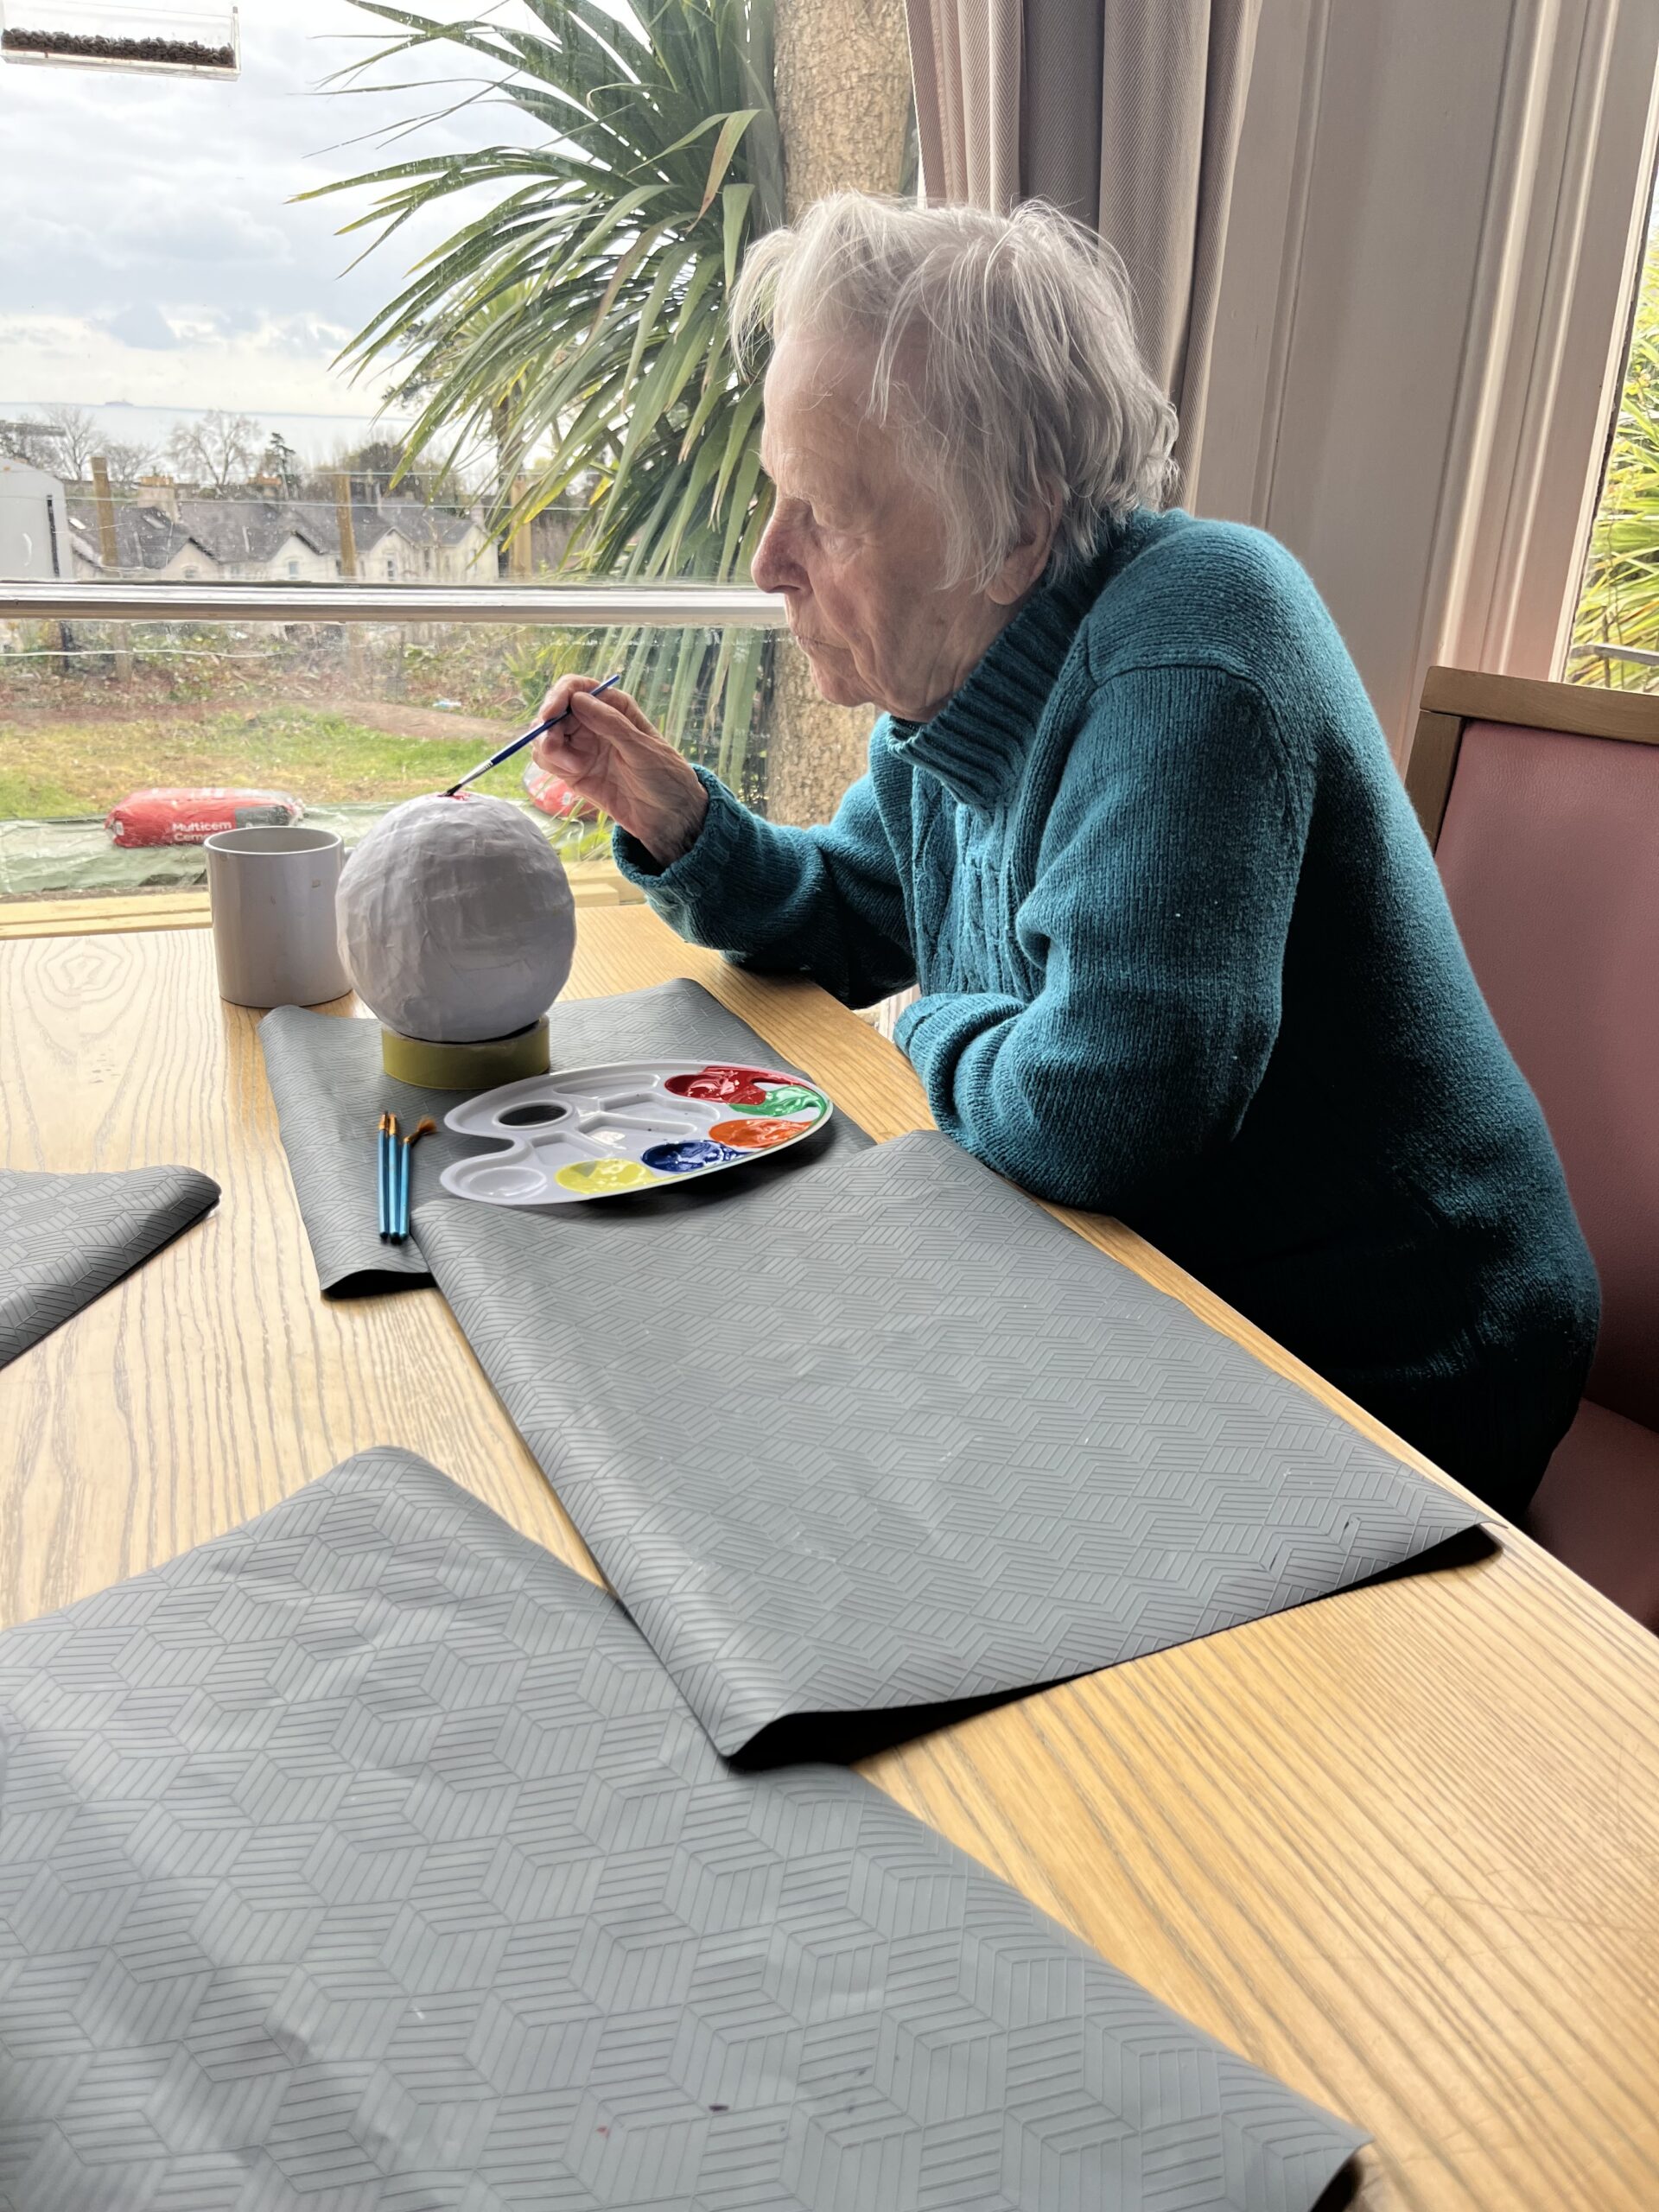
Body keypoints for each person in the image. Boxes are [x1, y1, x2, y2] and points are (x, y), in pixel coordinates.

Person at [530, 191, 1598, 1519]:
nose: (768, 562)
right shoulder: (946, 704)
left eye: (829, 512)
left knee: (813, 1491)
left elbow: (1107, 1110)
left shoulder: (1194, 648)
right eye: (775, 496)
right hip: (1154, 1288)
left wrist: (925, 1031)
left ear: (1016, 533)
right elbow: (855, 914)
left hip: (1392, 1358)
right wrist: (680, 819)